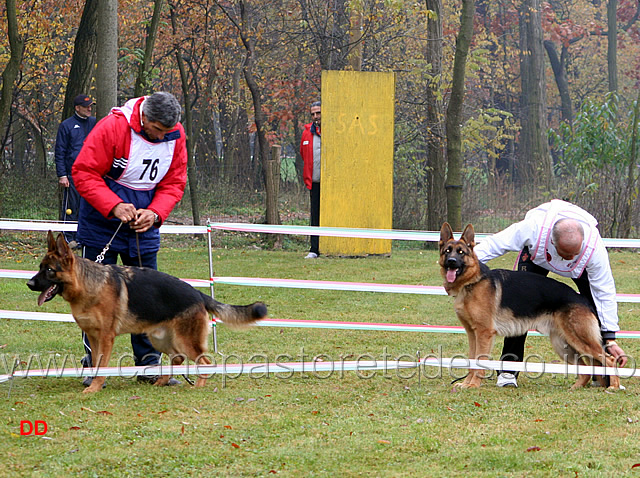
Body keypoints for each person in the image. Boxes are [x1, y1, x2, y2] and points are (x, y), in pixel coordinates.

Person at [72, 91, 187, 387]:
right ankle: (94, 366)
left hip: (143, 228)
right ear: (145, 118)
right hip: (101, 225)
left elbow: (174, 181)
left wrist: (156, 213)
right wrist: (113, 205)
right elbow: (83, 173)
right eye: (158, 130)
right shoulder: (112, 127)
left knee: (149, 295)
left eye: (168, 132)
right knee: (94, 298)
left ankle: (149, 365)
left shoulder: (176, 134)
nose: (163, 136)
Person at [473, 199, 628, 387]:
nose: (569, 259)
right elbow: (494, 245)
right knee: (518, 305)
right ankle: (508, 371)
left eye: (573, 254)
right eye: (565, 253)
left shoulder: (594, 250)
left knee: (590, 308)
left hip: (582, 268)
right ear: (553, 243)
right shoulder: (532, 228)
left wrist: (610, 337)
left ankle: (601, 374)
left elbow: (604, 292)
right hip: (537, 258)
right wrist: (464, 265)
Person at [54, 94, 97, 245]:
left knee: (88, 207)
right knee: (71, 207)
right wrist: (62, 175)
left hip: (91, 174)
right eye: (86, 107)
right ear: (77, 108)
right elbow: (60, 152)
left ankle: (83, 238)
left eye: (90, 106)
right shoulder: (67, 125)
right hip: (72, 175)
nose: (89, 109)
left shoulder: (94, 123)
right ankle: (68, 238)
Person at [300, 101, 321, 258]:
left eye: (318, 113)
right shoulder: (307, 133)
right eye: (313, 114)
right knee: (315, 216)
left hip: (332, 184)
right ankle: (314, 249)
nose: (315, 117)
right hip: (314, 182)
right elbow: (303, 153)